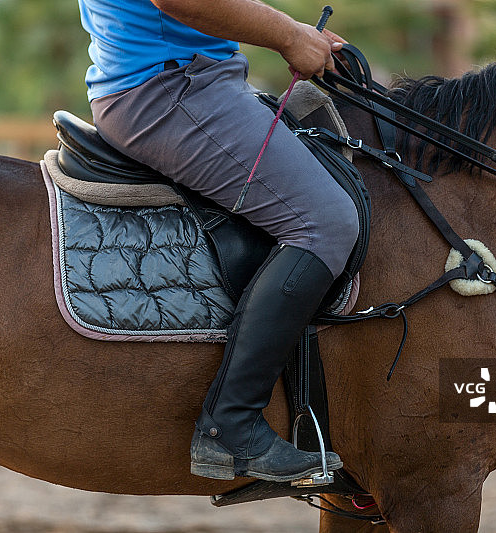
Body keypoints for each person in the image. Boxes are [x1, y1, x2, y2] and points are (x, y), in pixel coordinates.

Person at [77, 0, 359, 482]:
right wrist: (290, 37)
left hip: (200, 78)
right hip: (169, 89)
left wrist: (295, 32)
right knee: (325, 222)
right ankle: (231, 427)